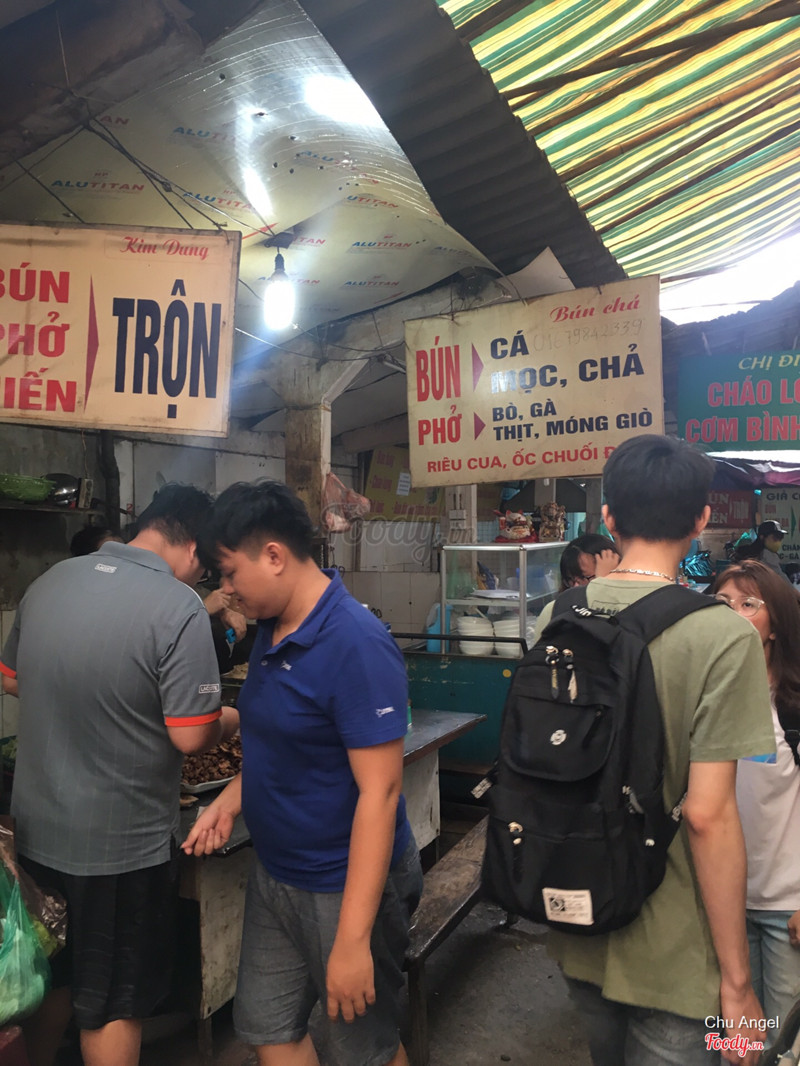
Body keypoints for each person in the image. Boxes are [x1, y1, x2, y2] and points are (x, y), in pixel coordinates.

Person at [533, 435, 774, 1066]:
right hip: (674, 951)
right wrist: (738, 983)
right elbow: (708, 815)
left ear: (608, 517)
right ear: (701, 519)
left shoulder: (558, 615)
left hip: (577, 919)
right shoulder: (723, 637)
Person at [182, 480, 421, 1066]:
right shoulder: (272, 628)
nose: (226, 589)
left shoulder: (355, 643)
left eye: (230, 573)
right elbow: (281, 737)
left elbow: (380, 791)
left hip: (343, 883)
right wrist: (231, 799)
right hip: (278, 872)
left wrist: (354, 940)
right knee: (268, 1027)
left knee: (365, 1049)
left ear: (273, 555)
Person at [0, 484, 239, 1066]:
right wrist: (236, 717)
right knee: (112, 1000)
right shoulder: (178, 606)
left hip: (36, 836)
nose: (203, 577)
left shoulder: (49, 582)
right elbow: (191, 734)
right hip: (121, 849)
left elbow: (10, 678)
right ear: (194, 546)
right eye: (207, 564)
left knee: (54, 974)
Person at [711, 560, 800, 1028]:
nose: (732, 614)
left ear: (776, 625)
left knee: (783, 1040)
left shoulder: (792, 707)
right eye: (722, 603)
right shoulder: (707, 697)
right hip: (721, 902)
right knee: (737, 1033)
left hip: (787, 905)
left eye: (749, 604)